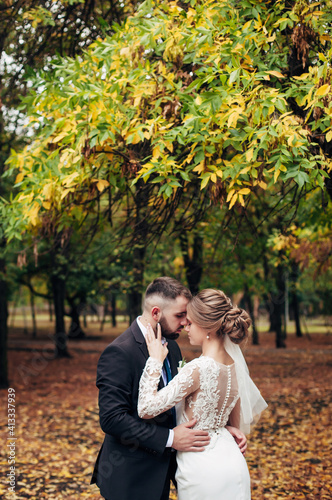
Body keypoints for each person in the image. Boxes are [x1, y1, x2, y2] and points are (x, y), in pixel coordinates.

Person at [91, 278, 247, 500]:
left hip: (176, 470)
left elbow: (185, 400)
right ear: (156, 313)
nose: (186, 323)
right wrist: (170, 438)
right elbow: (112, 418)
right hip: (133, 477)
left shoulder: (171, 345)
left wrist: (217, 428)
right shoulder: (119, 352)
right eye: (180, 315)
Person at [138, 288, 268, 500]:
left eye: (190, 322)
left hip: (201, 467)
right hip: (232, 463)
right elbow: (232, 424)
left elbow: (145, 408)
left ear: (207, 327)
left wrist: (154, 360)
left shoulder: (198, 369)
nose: (186, 327)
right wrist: (230, 430)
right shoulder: (234, 367)